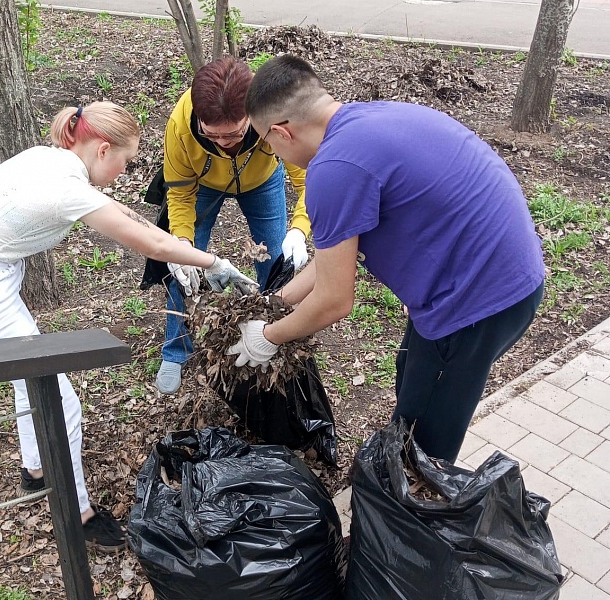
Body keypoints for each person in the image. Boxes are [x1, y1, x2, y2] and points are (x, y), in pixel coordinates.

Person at [0, 102, 253, 553]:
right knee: (62, 401)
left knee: (33, 382)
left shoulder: (52, 160)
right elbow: (139, 236)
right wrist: (210, 260)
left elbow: (123, 213)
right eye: (125, 161)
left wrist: (178, 249)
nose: (124, 172)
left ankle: (36, 471)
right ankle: (77, 513)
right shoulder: (66, 189)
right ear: (103, 149)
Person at [230, 55, 545, 463]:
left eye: (264, 140)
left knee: (426, 437)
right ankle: (400, 479)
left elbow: (335, 298)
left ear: (281, 132)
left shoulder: (333, 170)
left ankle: (411, 511)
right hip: (498, 273)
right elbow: (331, 263)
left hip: (477, 302)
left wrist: (268, 337)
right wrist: (276, 303)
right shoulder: (365, 121)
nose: (269, 150)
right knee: (412, 379)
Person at [156, 56, 312, 395]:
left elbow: (309, 181)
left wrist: (299, 230)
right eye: (212, 135)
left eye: (235, 134)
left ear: (254, 115)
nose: (224, 143)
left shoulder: (275, 113)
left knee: (274, 262)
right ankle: (176, 350)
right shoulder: (181, 126)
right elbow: (180, 195)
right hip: (203, 184)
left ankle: (273, 337)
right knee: (184, 269)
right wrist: (181, 243)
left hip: (263, 180)